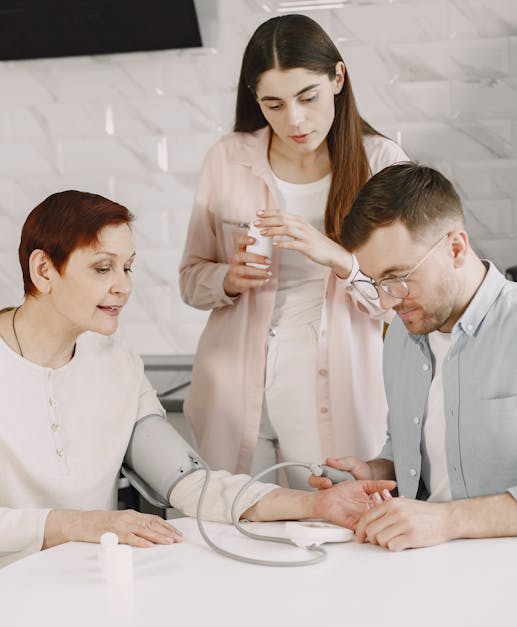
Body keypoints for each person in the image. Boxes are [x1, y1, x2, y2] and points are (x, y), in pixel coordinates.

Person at [0, 190, 395, 618]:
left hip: (78, 588)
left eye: (127, 267)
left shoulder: (117, 364)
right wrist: (84, 524)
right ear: (43, 270)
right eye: (102, 268)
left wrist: (315, 504)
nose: (123, 286)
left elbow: (191, 484)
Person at [308, 162, 517, 551]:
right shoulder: (403, 335)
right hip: (429, 569)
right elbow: (414, 454)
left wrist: (447, 520)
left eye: (398, 277)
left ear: (456, 248)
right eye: (377, 283)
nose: (388, 299)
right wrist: (376, 470)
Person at [179, 14, 408, 489]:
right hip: (235, 388)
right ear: (254, 100)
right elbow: (190, 280)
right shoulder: (228, 158)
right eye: (274, 104)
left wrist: (336, 257)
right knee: (236, 529)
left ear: (337, 79)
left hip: (337, 386)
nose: (295, 120)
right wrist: (227, 278)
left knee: (338, 525)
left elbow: (402, 300)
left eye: (308, 97)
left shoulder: (382, 164)